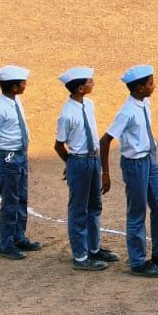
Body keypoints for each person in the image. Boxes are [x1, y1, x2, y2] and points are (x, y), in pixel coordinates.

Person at [101, 64, 158, 277]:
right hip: (135, 164)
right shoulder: (127, 112)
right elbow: (105, 140)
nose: (153, 85)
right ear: (139, 88)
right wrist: (106, 173)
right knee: (137, 211)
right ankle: (137, 261)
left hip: (150, 159)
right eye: (150, 83)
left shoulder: (145, 103)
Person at [54, 66, 116, 271]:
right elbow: (58, 145)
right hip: (79, 161)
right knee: (79, 210)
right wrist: (70, 164)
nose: (93, 83)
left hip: (93, 159)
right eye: (89, 81)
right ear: (80, 88)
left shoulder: (89, 104)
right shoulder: (66, 115)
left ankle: (93, 247)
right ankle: (80, 256)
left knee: (94, 205)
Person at [0, 64, 42, 259]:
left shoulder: (14, 102)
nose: (26, 85)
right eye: (23, 83)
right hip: (7, 157)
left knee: (21, 198)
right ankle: (6, 244)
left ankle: (19, 236)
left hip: (18, 155)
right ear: (14, 87)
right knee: (10, 201)